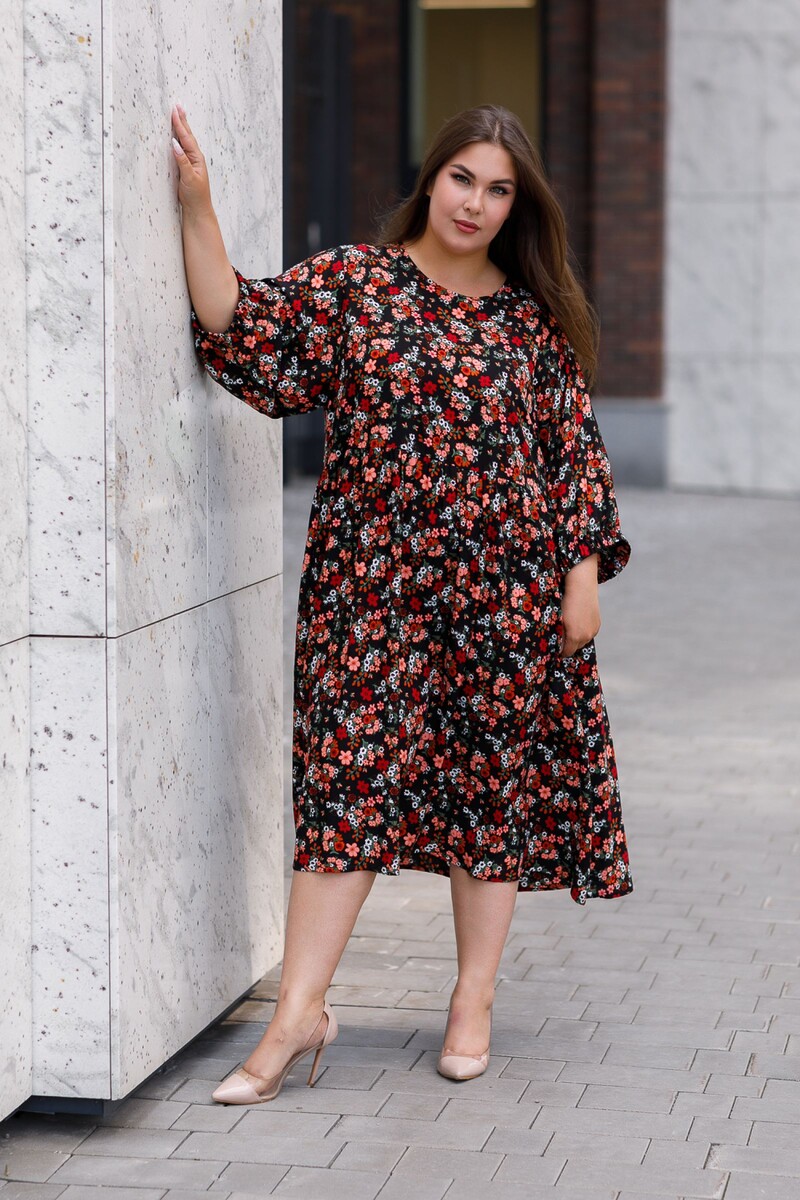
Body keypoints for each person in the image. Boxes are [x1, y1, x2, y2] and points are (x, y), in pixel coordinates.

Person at [171, 101, 633, 1105]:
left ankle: (472, 1000)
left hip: (504, 598)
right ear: (432, 179)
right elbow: (238, 327)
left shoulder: (533, 320)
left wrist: (580, 580)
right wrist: (197, 205)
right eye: (463, 178)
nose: (476, 203)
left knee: (487, 795)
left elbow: (570, 456)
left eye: (499, 189)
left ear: (516, 206)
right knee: (344, 791)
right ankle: (298, 1014)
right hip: (367, 595)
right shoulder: (358, 283)